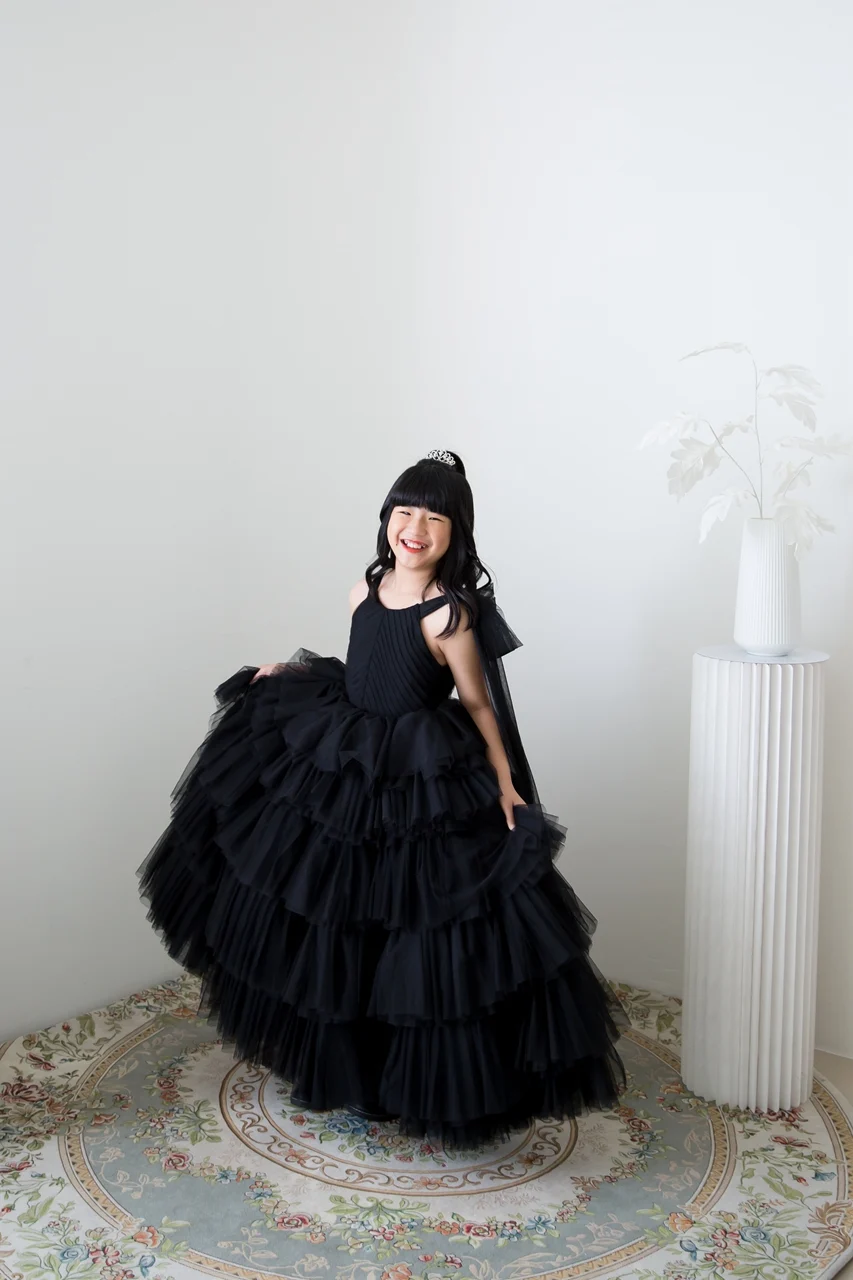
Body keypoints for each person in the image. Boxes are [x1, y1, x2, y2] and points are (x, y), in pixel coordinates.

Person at [137, 448, 626, 1147]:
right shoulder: (364, 592)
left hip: (417, 773)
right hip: (349, 755)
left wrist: (506, 784)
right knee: (337, 914)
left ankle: (407, 1076)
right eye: (405, 512)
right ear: (386, 518)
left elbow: (479, 705)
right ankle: (352, 1068)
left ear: (456, 533)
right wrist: (291, 672)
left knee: (415, 921)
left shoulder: (450, 615)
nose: (415, 529)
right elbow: (360, 669)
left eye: (434, 518)